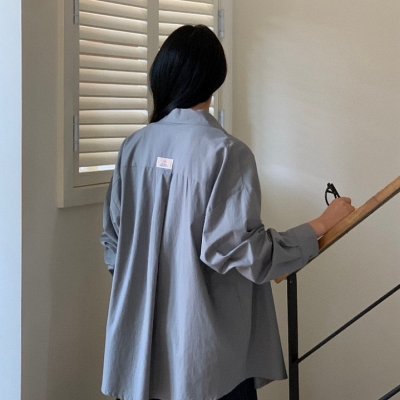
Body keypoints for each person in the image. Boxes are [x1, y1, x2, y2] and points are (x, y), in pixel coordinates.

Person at [100, 25, 354, 400]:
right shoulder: (225, 152)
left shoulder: (134, 147)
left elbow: (113, 244)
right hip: (204, 355)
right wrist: (321, 224)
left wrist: (146, 287)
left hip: (140, 350)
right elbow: (245, 253)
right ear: (215, 77)